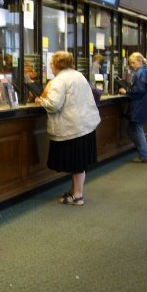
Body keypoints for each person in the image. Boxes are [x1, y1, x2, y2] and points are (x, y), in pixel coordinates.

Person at [35, 51, 100, 206]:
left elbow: (54, 104)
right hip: (85, 125)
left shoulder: (59, 80)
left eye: (51, 63)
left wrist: (41, 101)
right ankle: (75, 192)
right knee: (80, 163)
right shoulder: (79, 76)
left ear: (58, 64)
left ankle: (78, 196)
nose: (50, 65)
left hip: (72, 128)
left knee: (76, 163)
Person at [119, 52, 147, 164]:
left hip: (139, 105)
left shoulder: (141, 73)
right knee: (132, 129)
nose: (132, 65)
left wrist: (127, 91)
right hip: (142, 105)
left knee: (137, 130)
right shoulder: (146, 71)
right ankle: (143, 153)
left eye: (133, 63)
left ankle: (145, 155)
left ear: (139, 61)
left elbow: (139, 90)